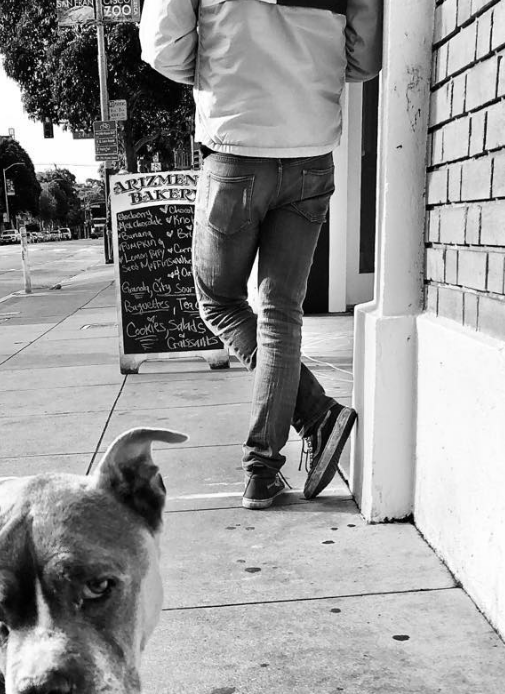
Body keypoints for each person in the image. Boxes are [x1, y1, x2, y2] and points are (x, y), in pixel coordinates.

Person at [141, 0, 382, 509]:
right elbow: (364, 59)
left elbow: (165, 47)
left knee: (221, 302)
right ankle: (263, 468)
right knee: (280, 314)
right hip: (311, 151)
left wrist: (222, 72)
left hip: (236, 145)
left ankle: (315, 419)